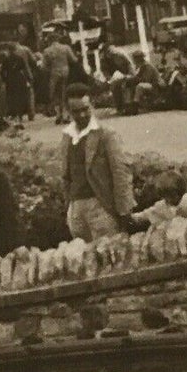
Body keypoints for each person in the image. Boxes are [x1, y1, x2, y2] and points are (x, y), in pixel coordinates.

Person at [59, 81, 135, 241]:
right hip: (76, 209)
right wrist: (68, 207)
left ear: (92, 105)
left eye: (85, 109)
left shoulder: (105, 134)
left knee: (109, 254)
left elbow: (120, 172)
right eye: (75, 111)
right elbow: (66, 176)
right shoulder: (67, 135)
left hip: (100, 206)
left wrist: (123, 211)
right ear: (67, 110)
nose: (81, 115)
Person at [39, 32, 76, 125]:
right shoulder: (66, 47)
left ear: (49, 41)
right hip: (66, 72)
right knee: (65, 93)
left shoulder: (47, 51)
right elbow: (73, 60)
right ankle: (65, 114)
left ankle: (58, 115)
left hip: (54, 73)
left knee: (56, 93)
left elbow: (44, 66)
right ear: (58, 39)